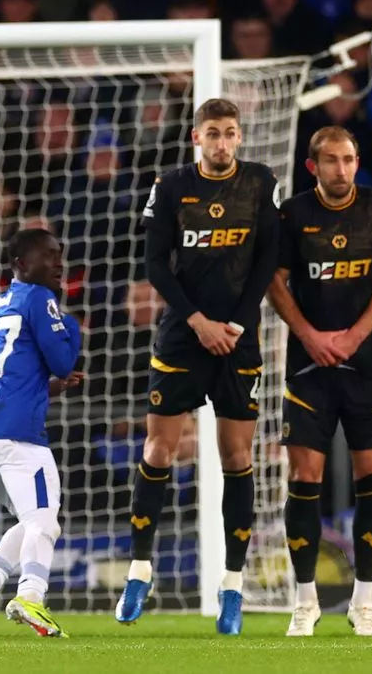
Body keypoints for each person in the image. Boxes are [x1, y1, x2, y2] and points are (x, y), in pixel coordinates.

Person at [116, 98, 281, 636]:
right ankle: (139, 572)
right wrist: (197, 322)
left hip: (237, 337)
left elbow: (266, 260)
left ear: (239, 137)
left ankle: (232, 588)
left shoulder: (260, 183)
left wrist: (232, 324)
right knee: (158, 449)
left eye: (230, 133)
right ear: (196, 137)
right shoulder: (169, 187)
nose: (222, 142)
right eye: (213, 133)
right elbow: (153, 265)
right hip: (184, 336)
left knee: (236, 457)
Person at [267, 126, 372, 637]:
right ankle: (305, 601)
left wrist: (354, 336)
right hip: (309, 368)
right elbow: (273, 281)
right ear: (313, 167)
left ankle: (363, 600)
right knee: (304, 479)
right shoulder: (292, 215)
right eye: (331, 161)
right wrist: (309, 336)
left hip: (368, 366)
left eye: (349, 159)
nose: (342, 169)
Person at [0, 229, 84, 637]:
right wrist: (70, 326)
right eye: (49, 256)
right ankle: (31, 596)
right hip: (17, 437)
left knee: (30, 520)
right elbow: (63, 361)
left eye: (60, 254)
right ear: (22, 266)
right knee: (45, 522)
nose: (59, 263)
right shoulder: (39, 297)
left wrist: (40, 386)